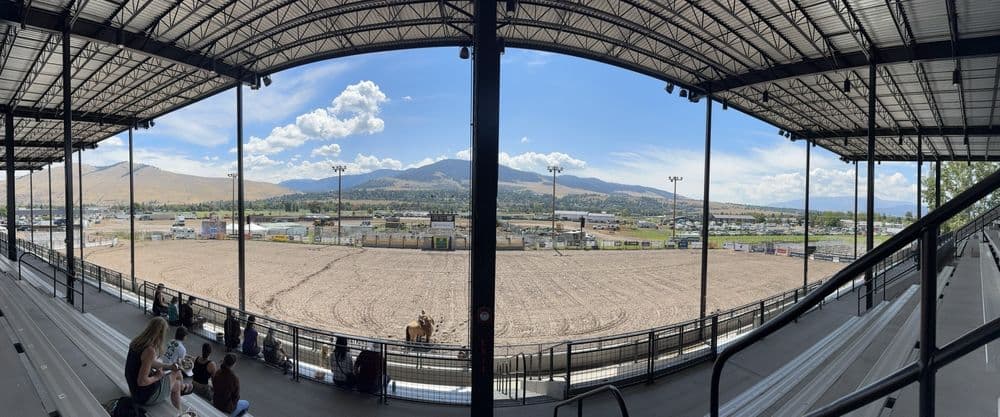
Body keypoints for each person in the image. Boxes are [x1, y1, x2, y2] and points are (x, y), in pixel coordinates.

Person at [125, 317, 194, 410]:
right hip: (143, 396)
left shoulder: (137, 342)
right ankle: (181, 402)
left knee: (176, 380)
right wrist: (157, 377)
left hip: (133, 388)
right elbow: (142, 381)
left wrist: (168, 366)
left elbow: (149, 362)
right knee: (176, 375)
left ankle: (180, 408)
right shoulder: (150, 350)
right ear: (161, 333)